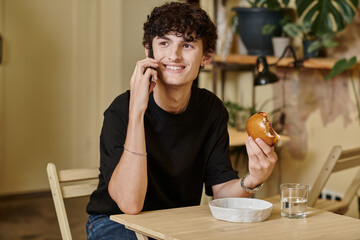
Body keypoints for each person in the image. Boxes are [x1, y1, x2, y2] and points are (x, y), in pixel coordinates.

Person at [86, 2, 277, 239]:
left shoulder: (211, 110)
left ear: (206, 56)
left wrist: (254, 178)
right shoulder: (120, 111)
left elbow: (221, 194)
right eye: (164, 43)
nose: (174, 55)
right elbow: (130, 205)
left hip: (177, 224)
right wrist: (137, 112)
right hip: (117, 223)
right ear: (149, 51)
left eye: (187, 45)